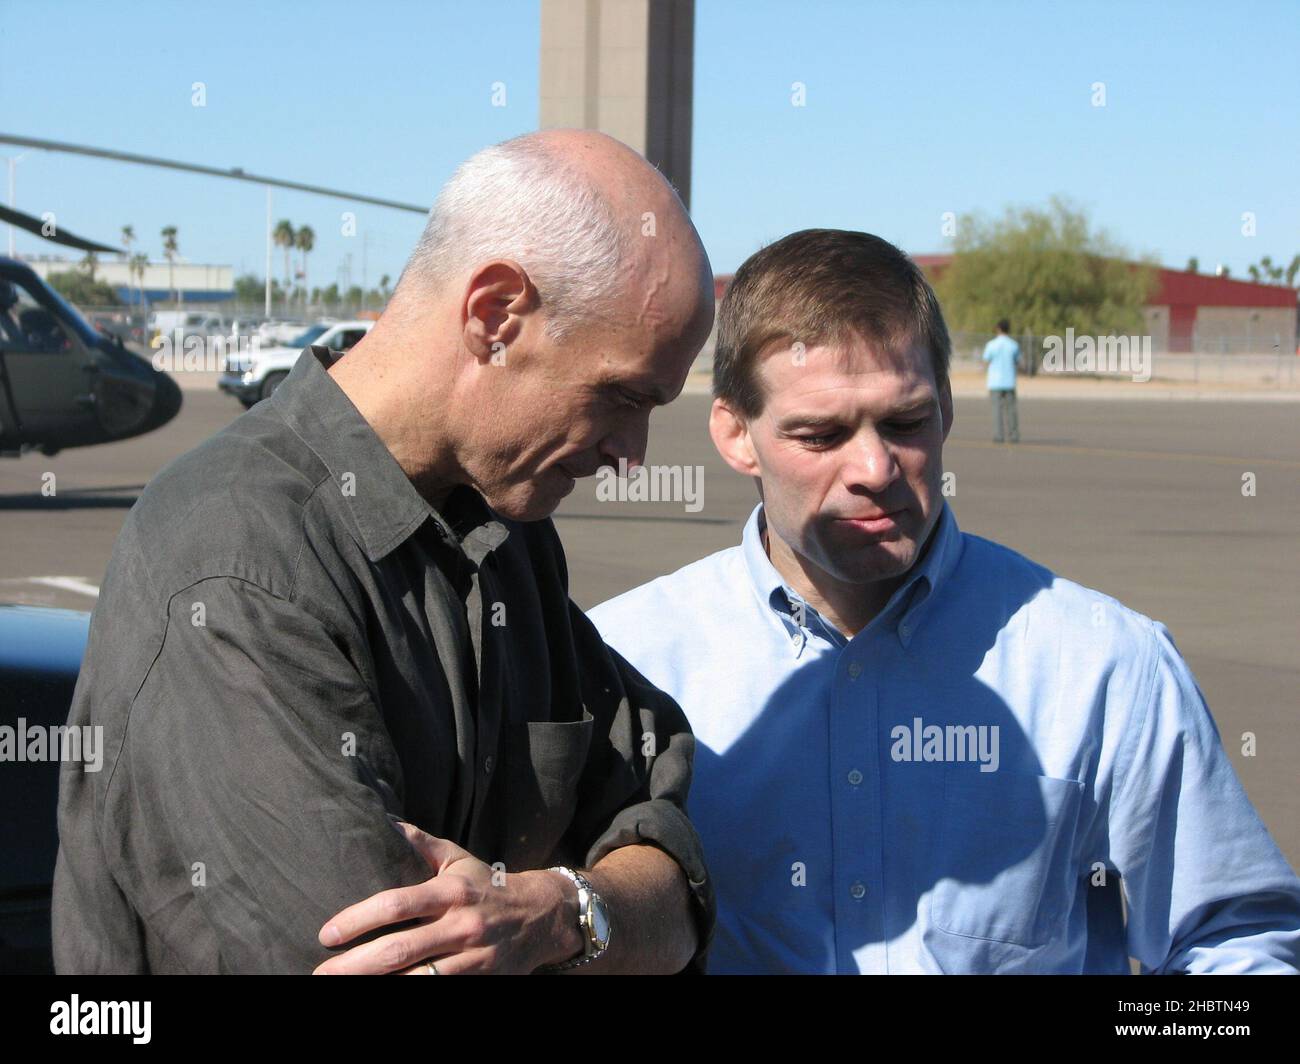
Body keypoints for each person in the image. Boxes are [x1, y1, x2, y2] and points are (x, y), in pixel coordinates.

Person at [53, 130, 717, 974]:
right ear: (495, 316)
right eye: (622, 395)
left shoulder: (506, 534)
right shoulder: (237, 569)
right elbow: (381, 958)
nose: (634, 453)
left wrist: (569, 913)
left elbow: (667, 832)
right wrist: (605, 918)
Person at [587, 228, 1300, 974]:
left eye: (905, 423)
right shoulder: (627, 660)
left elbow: (1237, 945)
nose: (874, 467)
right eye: (822, 434)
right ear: (736, 434)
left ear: (949, 407)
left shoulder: (1107, 666)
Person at [983, 318, 1020, 443]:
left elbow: (986, 360)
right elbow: (1017, 361)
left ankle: (999, 435)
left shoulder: (991, 345)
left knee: (996, 410)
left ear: (998, 328)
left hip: (995, 382)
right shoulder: (1013, 345)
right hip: (1009, 381)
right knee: (1011, 410)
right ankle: (1013, 435)